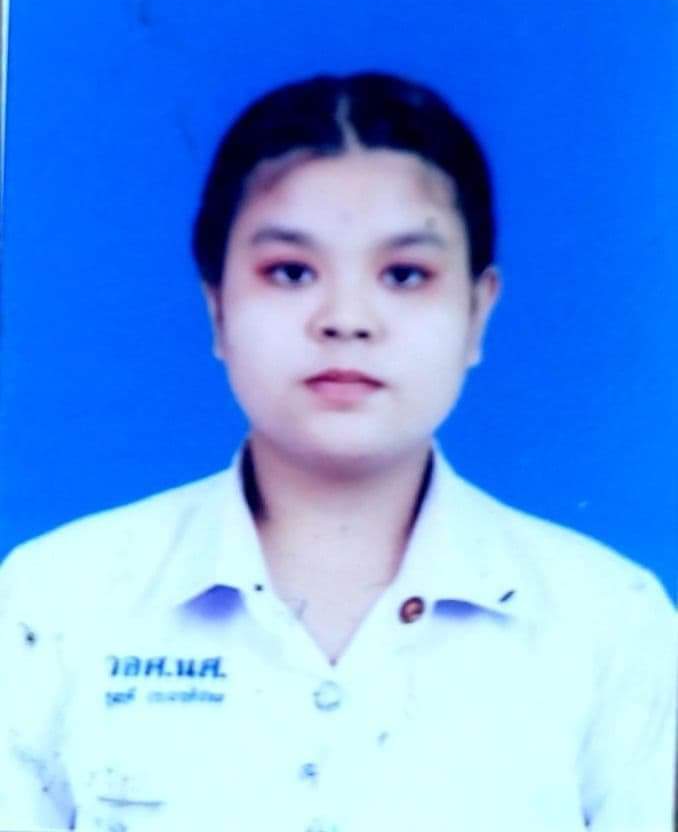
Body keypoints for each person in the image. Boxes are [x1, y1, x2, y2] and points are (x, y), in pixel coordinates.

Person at [0, 72, 674, 832]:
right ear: (217, 308)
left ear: (477, 312)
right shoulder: (55, 600)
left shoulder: (609, 621)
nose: (346, 319)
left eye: (404, 275)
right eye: (291, 272)